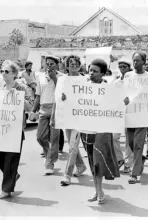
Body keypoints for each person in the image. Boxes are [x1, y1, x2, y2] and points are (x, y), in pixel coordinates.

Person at [67, 59, 120, 204]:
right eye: (90, 70)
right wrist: (66, 98)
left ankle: (100, 190)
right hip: (86, 129)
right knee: (91, 160)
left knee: (98, 160)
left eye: (95, 71)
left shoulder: (108, 88)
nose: (91, 73)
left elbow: (116, 105)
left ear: (103, 73)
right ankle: (96, 190)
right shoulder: (83, 87)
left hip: (102, 130)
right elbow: (75, 103)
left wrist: (123, 102)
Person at [0, 60, 29, 199]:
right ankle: (12, 175)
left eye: (6, 71)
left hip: (15, 130)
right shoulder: (0, 87)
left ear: (14, 74)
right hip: (1, 129)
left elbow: (30, 107)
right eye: (2, 71)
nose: (3, 74)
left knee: (10, 160)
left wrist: (16, 96)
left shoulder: (21, 88)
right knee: (2, 159)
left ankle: (6, 189)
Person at [29, 55, 62, 175]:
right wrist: (33, 110)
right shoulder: (40, 77)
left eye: (52, 64)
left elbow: (62, 92)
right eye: (47, 64)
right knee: (40, 137)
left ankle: (50, 163)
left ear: (57, 65)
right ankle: (49, 154)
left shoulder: (61, 77)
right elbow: (38, 95)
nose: (49, 66)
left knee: (54, 138)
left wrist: (55, 79)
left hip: (56, 108)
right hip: (43, 108)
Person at [124, 51, 148, 184]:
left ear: (144, 62)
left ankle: (134, 174)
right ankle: (140, 159)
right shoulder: (128, 75)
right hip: (130, 113)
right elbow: (124, 92)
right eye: (133, 60)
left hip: (142, 115)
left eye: (138, 61)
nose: (135, 63)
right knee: (130, 143)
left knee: (138, 144)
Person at [60, 55, 87, 186]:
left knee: (72, 146)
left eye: (77, 63)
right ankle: (81, 166)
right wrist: (62, 98)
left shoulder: (84, 80)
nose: (74, 65)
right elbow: (58, 97)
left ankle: (67, 175)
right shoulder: (62, 80)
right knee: (72, 146)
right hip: (66, 116)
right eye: (71, 63)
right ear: (67, 65)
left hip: (79, 117)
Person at [112, 58, 133, 173]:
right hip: (118, 112)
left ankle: (128, 163)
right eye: (120, 67)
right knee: (114, 137)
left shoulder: (134, 81)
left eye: (124, 67)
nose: (122, 69)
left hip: (131, 112)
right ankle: (119, 159)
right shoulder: (116, 82)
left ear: (129, 68)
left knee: (129, 139)